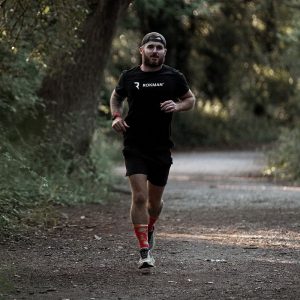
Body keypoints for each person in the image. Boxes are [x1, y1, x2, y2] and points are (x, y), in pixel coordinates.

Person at [110, 32, 195, 269]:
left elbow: (190, 99)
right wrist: (116, 116)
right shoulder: (129, 76)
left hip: (160, 148)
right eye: (151, 47)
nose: (155, 51)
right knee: (139, 197)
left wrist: (177, 105)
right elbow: (116, 97)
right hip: (134, 145)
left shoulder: (173, 77)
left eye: (159, 47)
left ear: (164, 52)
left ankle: (151, 226)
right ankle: (144, 251)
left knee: (154, 204)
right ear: (142, 50)